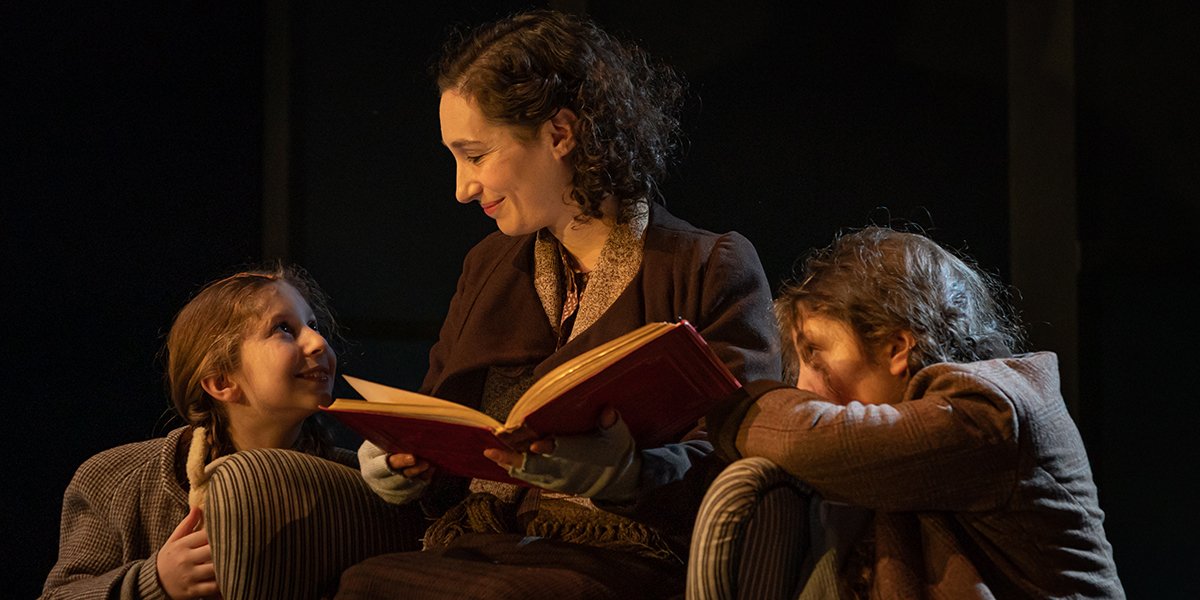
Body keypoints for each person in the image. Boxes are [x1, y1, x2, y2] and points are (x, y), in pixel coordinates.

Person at [337, 8, 780, 600]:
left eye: (476, 155)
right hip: (484, 544)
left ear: (560, 134)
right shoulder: (488, 267)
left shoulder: (705, 267)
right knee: (365, 583)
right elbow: (442, 415)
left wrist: (627, 473)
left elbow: (744, 456)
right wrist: (400, 463)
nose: (462, 188)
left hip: (622, 556)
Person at [697, 226, 1125, 598]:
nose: (804, 387)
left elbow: (820, 438)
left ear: (897, 347)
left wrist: (730, 404)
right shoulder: (908, 457)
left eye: (817, 355)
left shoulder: (997, 412)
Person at [40, 265, 354, 600]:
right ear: (221, 382)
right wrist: (155, 580)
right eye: (284, 329)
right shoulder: (116, 479)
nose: (318, 342)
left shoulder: (353, 483)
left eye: (313, 325)